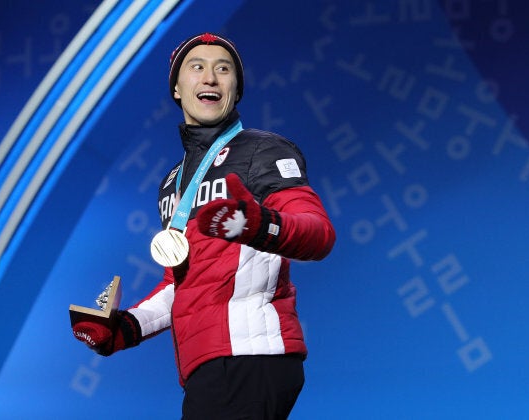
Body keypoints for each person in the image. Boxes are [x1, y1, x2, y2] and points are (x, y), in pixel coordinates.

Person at [72, 32, 336, 419]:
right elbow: (180, 286)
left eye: (223, 69)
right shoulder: (172, 182)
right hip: (207, 365)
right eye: (197, 67)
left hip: (249, 355)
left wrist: (258, 225)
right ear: (177, 89)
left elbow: (318, 233)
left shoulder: (262, 151)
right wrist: (124, 328)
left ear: (235, 89)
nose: (210, 77)